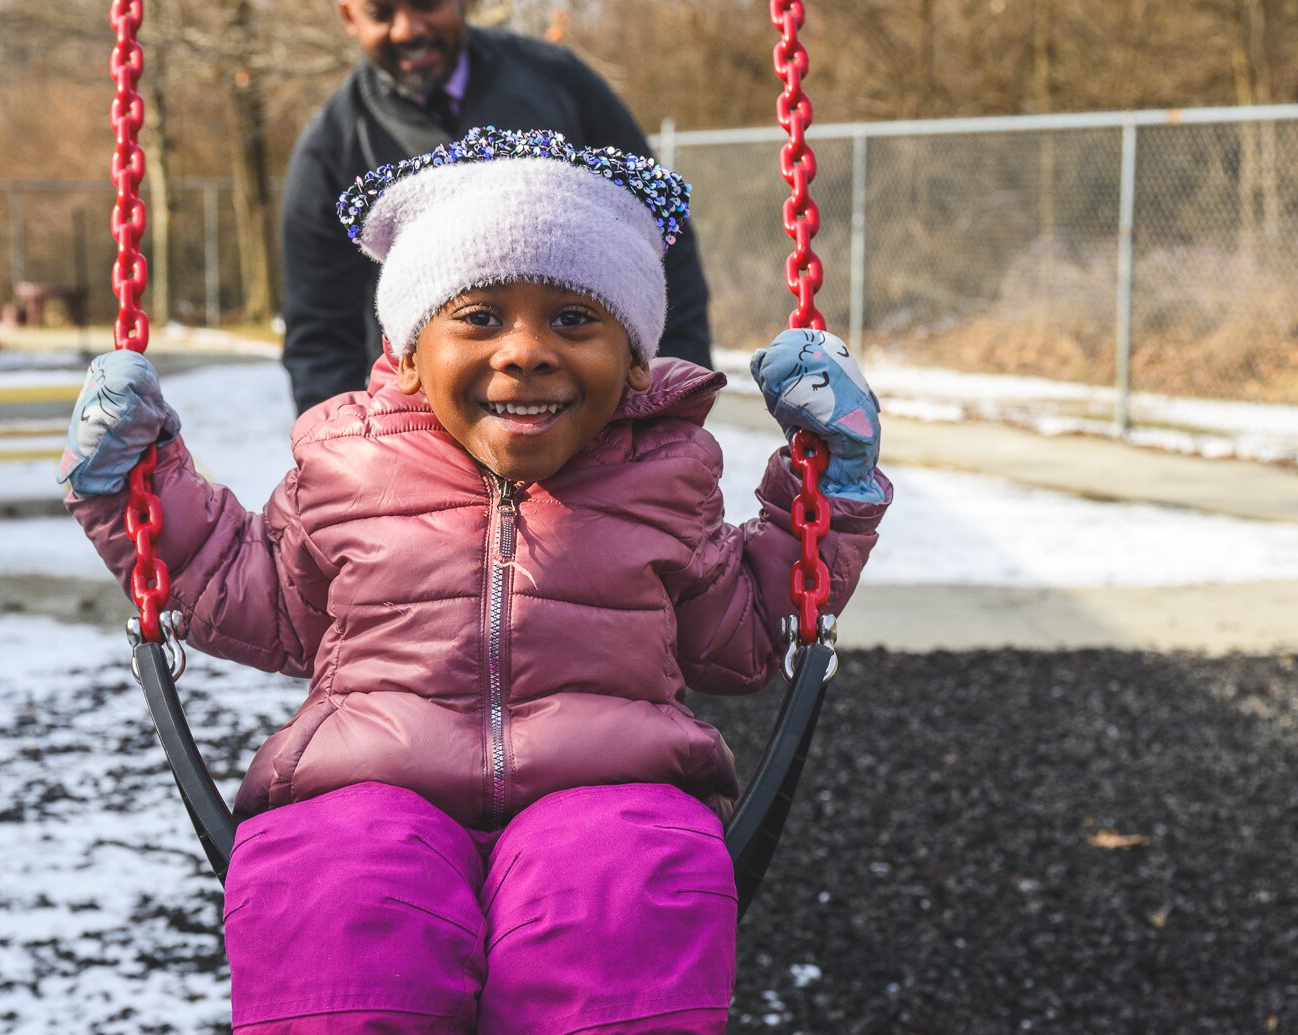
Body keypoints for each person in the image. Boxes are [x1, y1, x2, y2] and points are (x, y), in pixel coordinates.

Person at [60, 128, 891, 1034]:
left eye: (575, 318)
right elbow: (249, 585)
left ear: (638, 357)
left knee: (625, 894)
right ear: (412, 348)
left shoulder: (665, 474)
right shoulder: (348, 462)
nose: (526, 350)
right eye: (481, 316)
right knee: (336, 898)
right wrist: (137, 485)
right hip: (363, 785)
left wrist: (829, 486)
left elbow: (742, 634)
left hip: (612, 787)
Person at [279, 0, 714, 415]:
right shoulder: (330, 149)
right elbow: (320, 333)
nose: (408, 28)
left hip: (588, 420)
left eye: (426, 0)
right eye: (380, 12)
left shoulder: (559, 84)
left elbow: (660, 245)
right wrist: (350, 455)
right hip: (424, 432)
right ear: (349, 17)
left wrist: (670, 405)